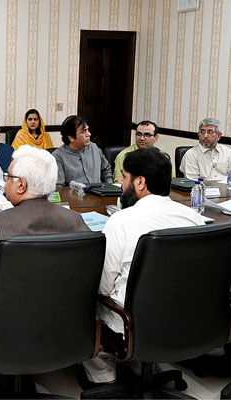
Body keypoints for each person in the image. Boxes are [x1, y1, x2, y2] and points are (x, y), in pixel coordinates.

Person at [82, 147, 205, 385]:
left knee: (82, 298)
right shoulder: (193, 217)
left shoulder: (122, 221)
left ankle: (103, 376)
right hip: (186, 314)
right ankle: (148, 365)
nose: (119, 181)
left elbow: (104, 284)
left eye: (124, 176)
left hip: (131, 320)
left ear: (140, 182)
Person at [0, 146, 89, 316]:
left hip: (5, 320)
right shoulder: (77, 221)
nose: (5, 181)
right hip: (64, 315)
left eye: (8, 177)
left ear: (21, 185)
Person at [52, 115, 113, 188]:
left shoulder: (94, 148)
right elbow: (59, 187)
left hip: (99, 197)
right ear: (71, 138)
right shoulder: (58, 157)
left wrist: (109, 187)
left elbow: (106, 170)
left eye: (87, 130)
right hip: (74, 198)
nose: (89, 134)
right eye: (83, 132)